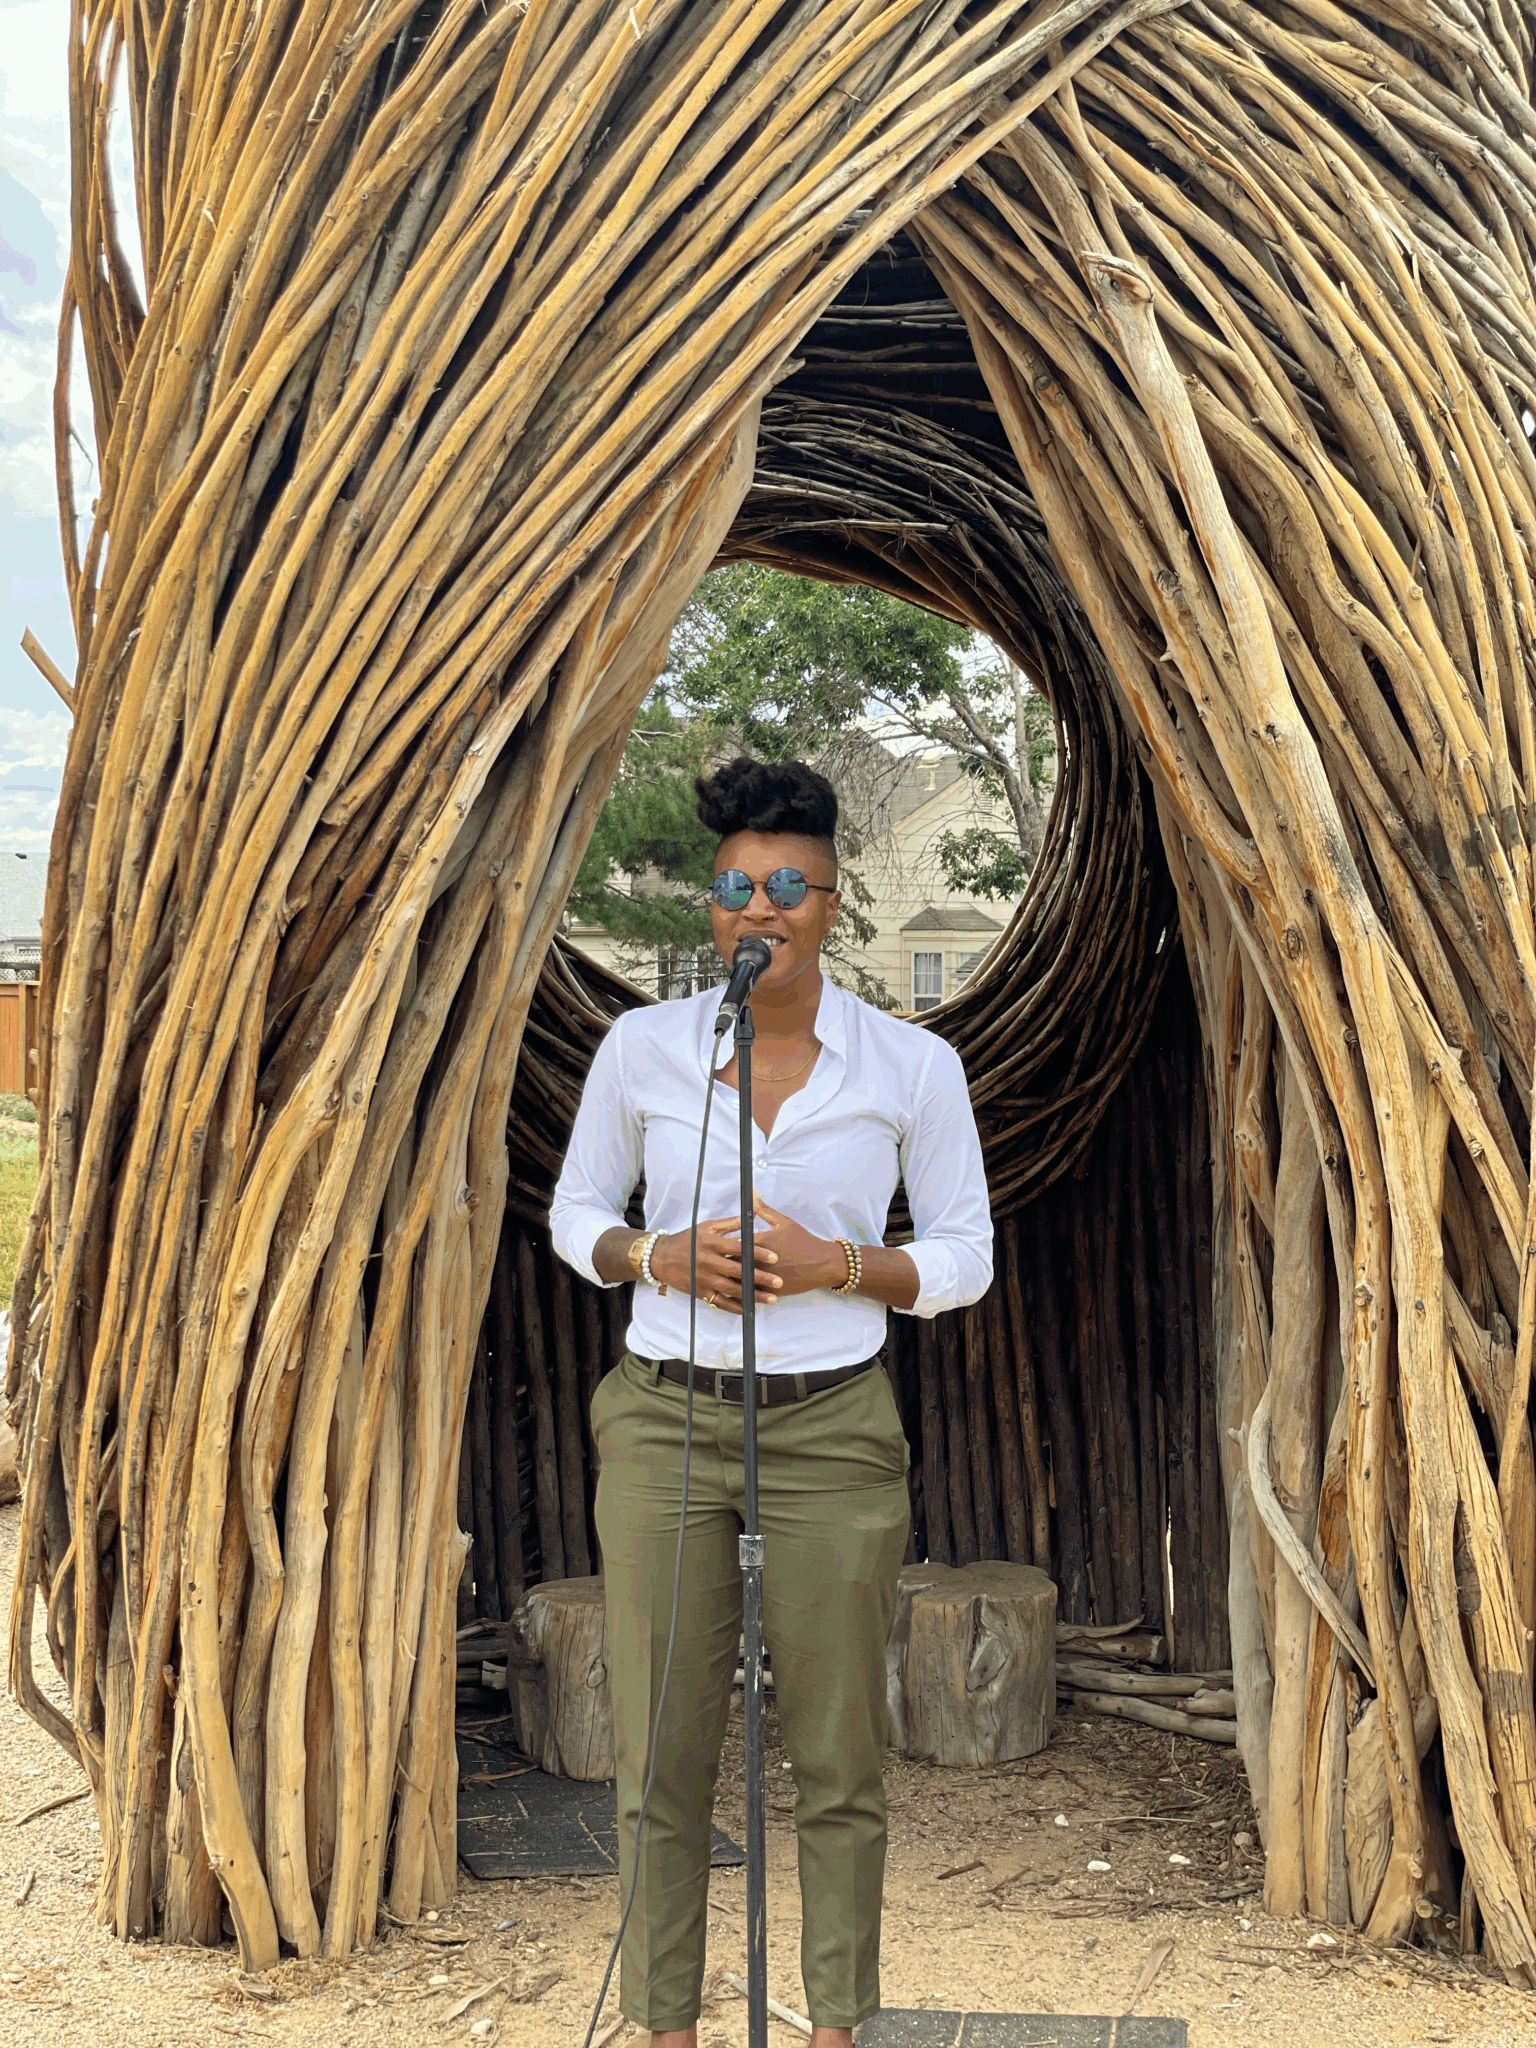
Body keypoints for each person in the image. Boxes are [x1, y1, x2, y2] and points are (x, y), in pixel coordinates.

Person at [551, 756, 993, 2048]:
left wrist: (838, 1265)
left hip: (834, 1425)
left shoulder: (911, 1068)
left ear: (833, 902)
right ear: (714, 906)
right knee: (662, 1754)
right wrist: (656, 1256)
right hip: (665, 1419)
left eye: (787, 885)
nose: (760, 907)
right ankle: (666, 2029)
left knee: (839, 1757)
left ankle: (836, 2028)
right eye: (736, 886)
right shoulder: (645, 1050)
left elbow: (965, 1256)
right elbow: (578, 1215)